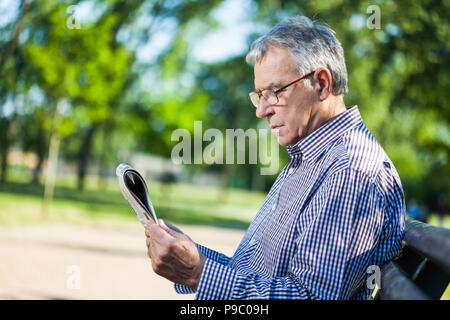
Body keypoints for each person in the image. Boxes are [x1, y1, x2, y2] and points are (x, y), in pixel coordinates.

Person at [144, 16, 406, 300]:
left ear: (321, 83)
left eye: (274, 92)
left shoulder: (349, 170)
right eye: (259, 95)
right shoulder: (310, 158)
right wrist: (191, 256)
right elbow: (255, 272)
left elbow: (311, 297)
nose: (262, 110)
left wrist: (199, 273)